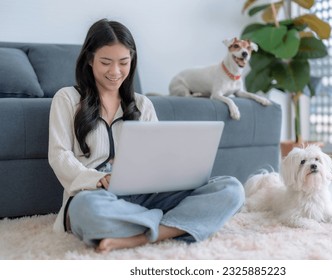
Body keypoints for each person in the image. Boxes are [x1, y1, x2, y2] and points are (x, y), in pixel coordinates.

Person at [48, 18, 245, 253]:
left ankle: (140, 236)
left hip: (144, 194)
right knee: (88, 212)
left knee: (232, 189)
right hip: (95, 196)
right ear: (90, 60)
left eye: (124, 62)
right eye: (106, 62)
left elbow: (159, 157)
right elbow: (59, 155)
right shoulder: (67, 99)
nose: (115, 71)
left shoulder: (143, 104)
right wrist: (96, 179)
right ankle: (175, 223)